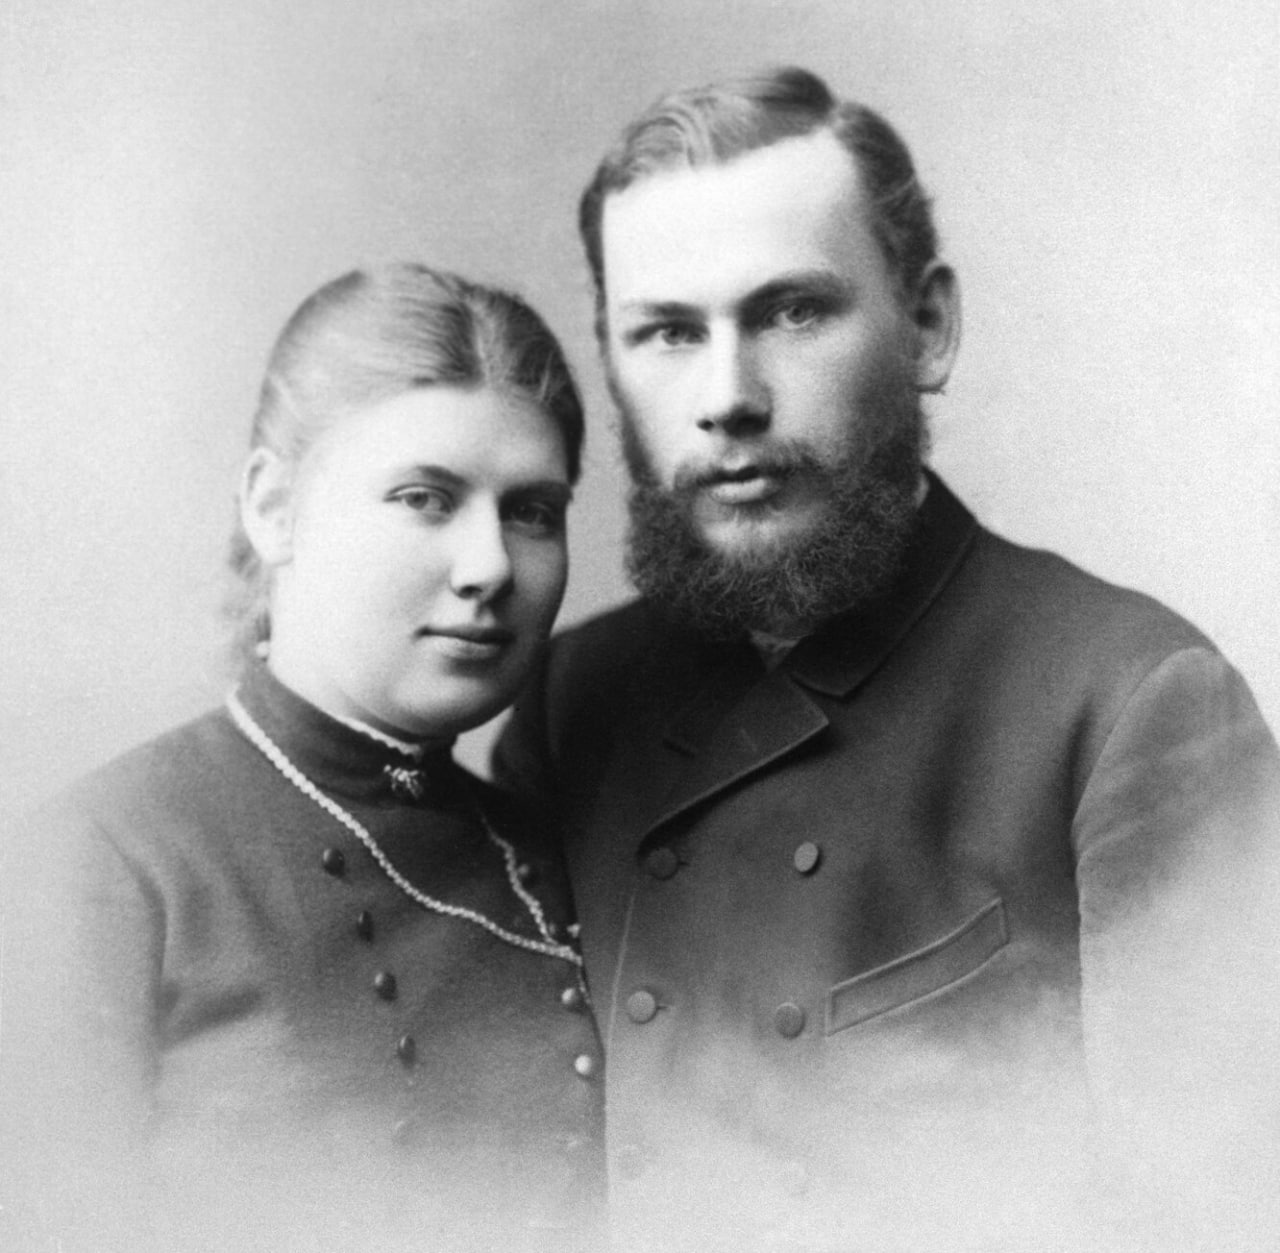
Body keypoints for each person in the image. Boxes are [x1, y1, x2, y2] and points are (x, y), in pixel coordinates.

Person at [494, 68, 1280, 1252]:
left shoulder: (1130, 703)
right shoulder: (566, 705)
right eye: (667, 332)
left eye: (791, 313)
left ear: (925, 326)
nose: (726, 397)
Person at [0, 263, 603, 1253]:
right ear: (274, 508)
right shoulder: (100, 861)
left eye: (532, 511)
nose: (491, 564)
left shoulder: (558, 862)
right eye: (425, 497)